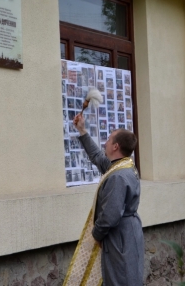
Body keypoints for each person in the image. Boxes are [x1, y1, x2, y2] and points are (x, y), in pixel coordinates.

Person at [64, 113, 144, 286]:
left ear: (115, 146)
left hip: (119, 236)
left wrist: (96, 235)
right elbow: (98, 158)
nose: (105, 143)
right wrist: (82, 131)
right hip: (126, 232)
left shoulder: (118, 176)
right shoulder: (124, 165)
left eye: (108, 140)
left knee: (120, 278)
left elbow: (110, 215)